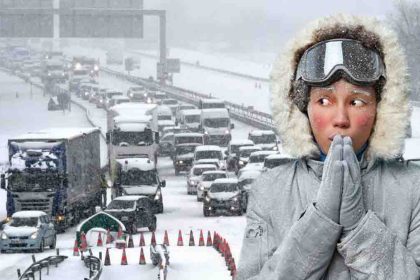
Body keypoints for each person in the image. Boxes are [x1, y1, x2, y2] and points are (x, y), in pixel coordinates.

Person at [237, 14, 420, 279]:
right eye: (324, 101)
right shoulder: (270, 191)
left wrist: (359, 227)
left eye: (357, 102)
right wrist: (320, 220)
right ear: (302, 109)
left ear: (382, 109)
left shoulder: (414, 190)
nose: (341, 119)